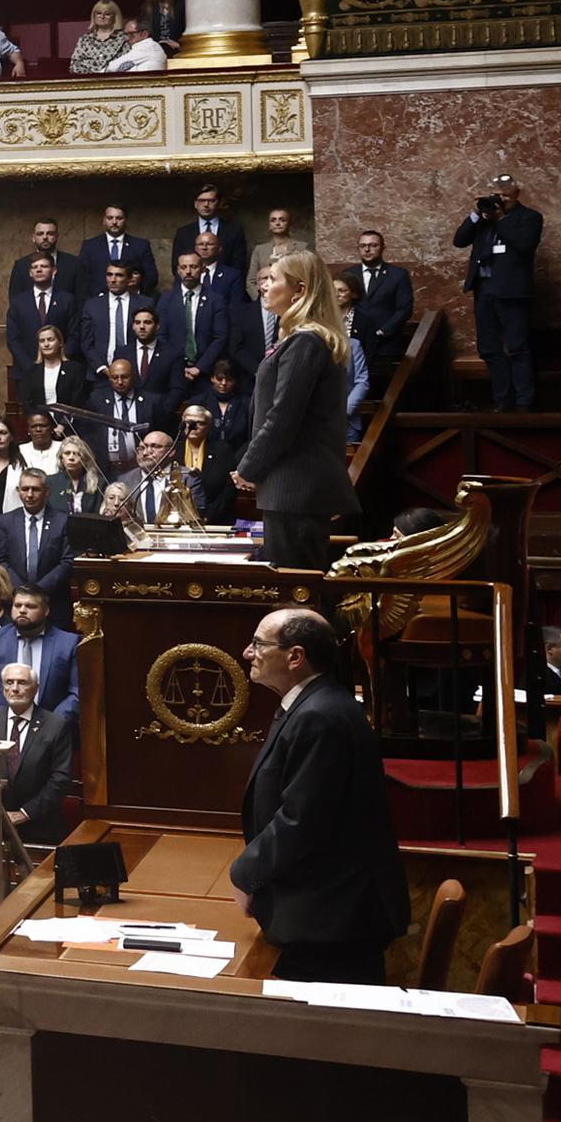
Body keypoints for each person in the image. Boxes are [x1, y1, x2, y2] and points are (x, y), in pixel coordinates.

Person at [229, 606, 408, 983]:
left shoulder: (319, 716)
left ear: (295, 657)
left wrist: (244, 874)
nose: (248, 653)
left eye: (259, 644)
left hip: (333, 920)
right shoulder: (313, 706)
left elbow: (301, 820)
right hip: (325, 908)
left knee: (327, 1036)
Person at [232, 246, 361, 568]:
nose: (263, 285)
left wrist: (249, 467)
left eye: (273, 279)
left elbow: (282, 417)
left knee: (298, 594)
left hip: (297, 487)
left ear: (299, 291)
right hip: (290, 487)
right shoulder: (303, 340)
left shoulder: (306, 342)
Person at [457, 176, 544, 412]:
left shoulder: (529, 218)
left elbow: (524, 245)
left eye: (506, 195)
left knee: (517, 346)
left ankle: (524, 401)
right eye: (497, 195)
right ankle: (503, 400)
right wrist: (476, 213)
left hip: (512, 292)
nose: (501, 200)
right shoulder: (484, 219)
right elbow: (459, 240)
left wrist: (501, 219)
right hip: (484, 290)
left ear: (518, 193)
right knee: (489, 348)